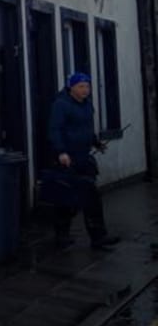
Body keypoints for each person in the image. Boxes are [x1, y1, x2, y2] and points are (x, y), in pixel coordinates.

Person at [48, 72, 120, 250]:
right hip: (67, 159)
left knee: (92, 196)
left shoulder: (87, 105)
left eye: (87, 86)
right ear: (71, 87)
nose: (85, 90)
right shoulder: (61, 105)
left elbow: (87, 128)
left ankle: (98, 237)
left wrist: (96, 142)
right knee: (66, 198)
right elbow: (55, 129)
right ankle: (62, 236)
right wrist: (61, 151)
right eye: (81, 86)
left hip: (84, 158)